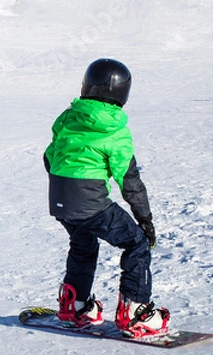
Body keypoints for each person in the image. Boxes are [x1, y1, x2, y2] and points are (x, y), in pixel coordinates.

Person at [43, 58, 170, 338]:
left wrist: (65, 189)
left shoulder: (67, 117)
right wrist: (144, 220)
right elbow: (129, 180)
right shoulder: (116, 131)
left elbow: (50, 156)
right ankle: (135, 312)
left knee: (83, 244)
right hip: (91, 203)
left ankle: (74, 307)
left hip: (60, 202)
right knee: (136, 244)